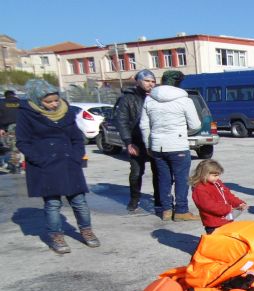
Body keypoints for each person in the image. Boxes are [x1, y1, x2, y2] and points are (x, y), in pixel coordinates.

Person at [15, 80, 100, 254]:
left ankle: (86, 230)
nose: (54, 104)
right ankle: (56, 235)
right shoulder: (27, 114)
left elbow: (76, 138)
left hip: (68, 162)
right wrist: (40, 159)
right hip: (45, 166)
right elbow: (23, 142)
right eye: (49, 101)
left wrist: (76, 156)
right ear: (38, 101)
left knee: (79, 202)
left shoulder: (66, 112)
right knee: (53, 204)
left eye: (56, 100)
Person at [140, 73, 201, 221]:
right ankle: (181, 211)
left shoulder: (149, 99)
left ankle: (166, 210)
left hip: (157, 146)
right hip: (178, 145)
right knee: (181, 179)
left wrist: (148, 144)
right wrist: (182, 133)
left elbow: (144, 125)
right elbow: (195, 125)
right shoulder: (184, 100)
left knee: (164, 179)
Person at [114, 69, 161, 213]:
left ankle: (159, 199)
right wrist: (128, 142)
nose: (150, 84)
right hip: (136, 141)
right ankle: (134, 198)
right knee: (136, 173)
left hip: (155, 142)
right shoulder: (128, 98)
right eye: (147, 81)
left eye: (153, 81)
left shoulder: (157, 97)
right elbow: (122, 121)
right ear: (138, 81)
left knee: (159, 172)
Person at [190, 159, 248, 234]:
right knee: (216, 242)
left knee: (228, 240)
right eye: (215, 175)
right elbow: (209, 206)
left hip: (226, 218)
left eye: (218, 175)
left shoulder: (217, 183)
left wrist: (239, 203)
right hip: (213, 223)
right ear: (204, 174)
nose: (217, 178)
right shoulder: (199, 189)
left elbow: (228, 195)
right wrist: (228, 208)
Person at [0, 90, 21, 172]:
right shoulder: (21, 102)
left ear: (5, 96)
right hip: (22, 127)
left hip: (9, 128)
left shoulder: (2, 103)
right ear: (14, 95)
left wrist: (1, 128)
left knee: (13, 148)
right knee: (21, 146)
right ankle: (21, 164)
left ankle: (16, 166)